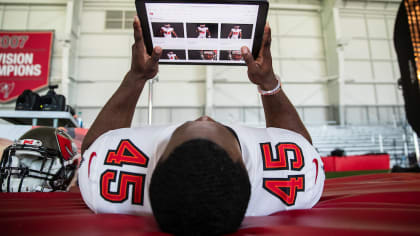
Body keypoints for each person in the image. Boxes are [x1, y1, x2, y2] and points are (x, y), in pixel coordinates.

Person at [79, 16, 325, 236]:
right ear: (247, 171)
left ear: (153, 170)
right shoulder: (297, 185)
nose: (205, 118)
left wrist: (136, 76)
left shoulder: (103, 189)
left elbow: (93, 149)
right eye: (219, 128)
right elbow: (299, 143)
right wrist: (268, 82)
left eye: (190, 126)